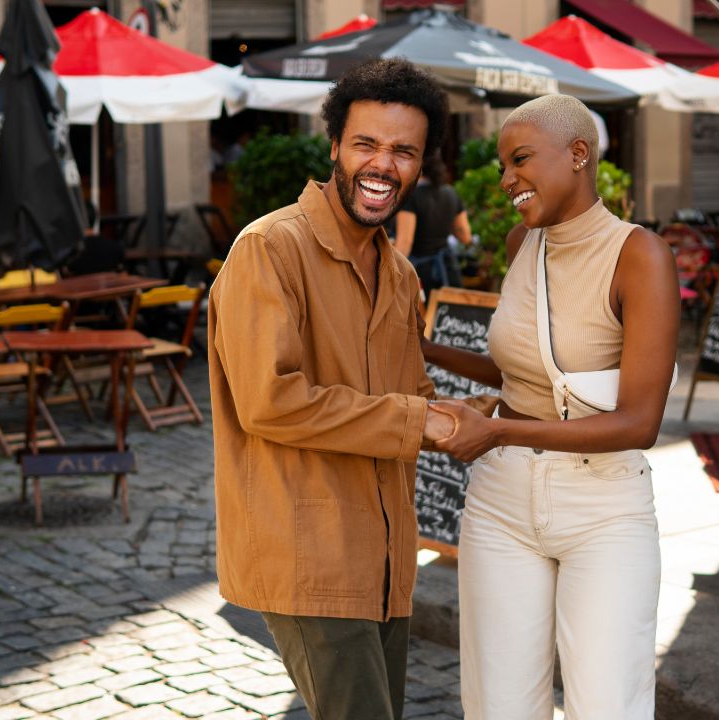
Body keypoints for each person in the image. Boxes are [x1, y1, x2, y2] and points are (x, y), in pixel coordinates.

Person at [207, 59, 460, 720]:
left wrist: (493, 415)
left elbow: (411, 395)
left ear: (420, 164)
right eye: (367, 144)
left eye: (403, 150)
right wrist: (420, 421)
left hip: (383, 557)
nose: (384, 164)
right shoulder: (269, 248)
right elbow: (270, 400)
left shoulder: (400, 274)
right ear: (334, 149)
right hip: (306, 552)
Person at [426, 94, 680, 719]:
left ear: (577, 154)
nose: (507, 178)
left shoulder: (639, 255)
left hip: (603, 509)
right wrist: (425, 348)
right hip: (501, 505)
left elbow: (638, 423)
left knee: (607, 705)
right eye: (501, 166)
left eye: (519, 160)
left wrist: (497, 431)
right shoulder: (522, 243)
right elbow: (525, 369)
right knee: (500, 705)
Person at [393, 153, 472, 297]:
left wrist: (390, 275)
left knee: (424, 319)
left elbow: (405, 243)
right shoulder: (451, 193)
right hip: (449, 270)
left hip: (422, 274)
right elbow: (465, 237)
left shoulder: (411, 196)